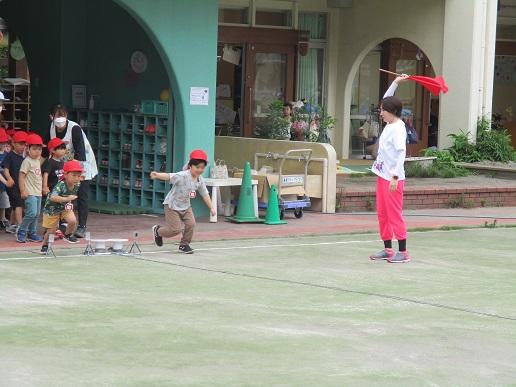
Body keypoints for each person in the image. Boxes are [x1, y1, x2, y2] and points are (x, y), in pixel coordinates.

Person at [370, 74, 411, 263]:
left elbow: (400, 154)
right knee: (382, 213)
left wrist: (394, 177)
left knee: (394, 214)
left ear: (391, 112)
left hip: (393, 179)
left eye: (383, 110)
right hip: (382, 175)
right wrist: (396, 82)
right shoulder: (389, 123)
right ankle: (387, 249)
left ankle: (403, 252)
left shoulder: (398, 128)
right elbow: (386, 100)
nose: (381, 112)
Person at [150, 149, 215, 254]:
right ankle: (158, 231)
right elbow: (169, 176)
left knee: (191, 224)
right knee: (175, 230)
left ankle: (184, 245)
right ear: (190, 166)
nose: (200, 170)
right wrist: (157, 175)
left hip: (186, 206)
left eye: (202, 168)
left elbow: (205, 194)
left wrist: (211, 207)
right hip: (172, 206)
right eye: (197, 167)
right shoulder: (182, 176)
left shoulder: (200, 180)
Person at [47, 104, 98, 238]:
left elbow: (80, 153)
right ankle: (63, 224)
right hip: (64, 166)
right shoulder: (51, 128)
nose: (60, 119)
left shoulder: (74, 128)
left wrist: (72, 172)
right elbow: (50, 148)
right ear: (51, 117)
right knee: (62, 194)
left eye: (62, 115)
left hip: (81, 164)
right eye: (57, 116)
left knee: (81, 195)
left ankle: (81, 226)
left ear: (67, 116)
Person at [40, 160, 82, 254]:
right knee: (51, 230)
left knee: (73, 221)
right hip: (52, 208)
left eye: (78, 176)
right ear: (66, 175)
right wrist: (67, 199)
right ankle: (45, 245)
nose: (76, 178)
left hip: (64, 207)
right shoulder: (60, 185)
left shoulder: (77, 184)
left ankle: (67, 235)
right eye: (74, 175)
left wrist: (68, 200)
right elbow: (53, 197)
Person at [17, 133, 44, 243]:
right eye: (34, 149)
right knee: (31, 213)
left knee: (36, 214)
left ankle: (32, 233)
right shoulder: (27, 161)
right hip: (30, 192)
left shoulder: (37, 160)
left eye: (39, 149)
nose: (37, 151)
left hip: (38, 192)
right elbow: (21, 176)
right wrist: (23, 190)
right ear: (28, 149)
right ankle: (21, 231)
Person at [1, 131, 27, 235]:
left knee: (15, 205)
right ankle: (21, 227)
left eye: (24, 144)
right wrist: (9, 179)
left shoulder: (23, 157)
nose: (22, 147)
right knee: (19, 205)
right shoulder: (10, 156)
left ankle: (12, 225)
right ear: (13, 143)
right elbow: (5, 169)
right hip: (12, 185)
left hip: (20, 185)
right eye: (20, 144)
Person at [0, 128, 11, 229]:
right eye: (0, 142)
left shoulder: (7, 155)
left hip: (3, 185)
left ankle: (2, 219)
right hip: (3, 182)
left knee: (3, 203)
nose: (2, 144)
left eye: (4, 142)